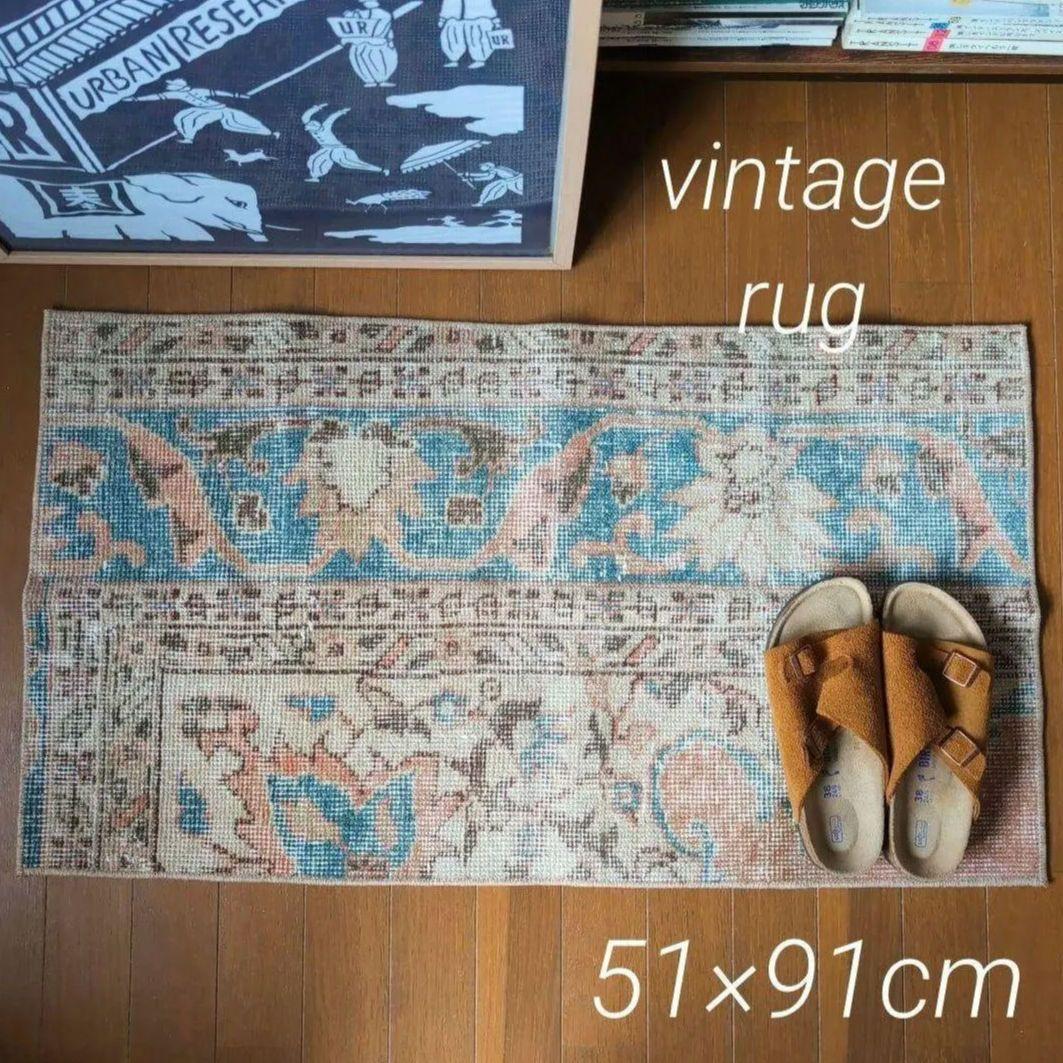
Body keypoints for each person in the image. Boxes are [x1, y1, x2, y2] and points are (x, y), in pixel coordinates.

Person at [128, 79, 274, 144]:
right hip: (205, 109)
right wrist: (134, 99)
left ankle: (268, 132)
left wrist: (238, 95)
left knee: (189, 119)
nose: (169, 87)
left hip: (217, 109)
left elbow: (218, 93)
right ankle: (188, 137)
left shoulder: (194, 90)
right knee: (182, 117)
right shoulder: (178, 93)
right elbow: (157, 97)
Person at [337, 0, 423, 88]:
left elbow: (384, 30)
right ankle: (370, 80)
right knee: (361, 57)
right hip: (361, 45)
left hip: (379, 44)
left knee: (381, 59)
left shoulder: (384, 14)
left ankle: (381, 80)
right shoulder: (361, 14)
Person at [302, 104, 389, 182]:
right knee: (315, 160)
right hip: (327, 149)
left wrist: (340, 112)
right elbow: (305, 117)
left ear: (317, 127)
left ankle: (381, 170)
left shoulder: (325, 127)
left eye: (312, 129)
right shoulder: (311, 128)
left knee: (349, 163)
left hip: (338, 149)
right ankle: (315, 177)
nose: (311, 131)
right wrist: (316, 108)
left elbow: (331, 118)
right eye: (309, 129)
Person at [438, 0, 502, 69]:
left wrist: (495, 21)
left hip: (478, 18)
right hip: (454, 19)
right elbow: (447, 6)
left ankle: (480, 59)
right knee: (451, 37)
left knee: (478, 38)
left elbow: (487, 6)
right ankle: (453, 59)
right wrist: (443, 19)